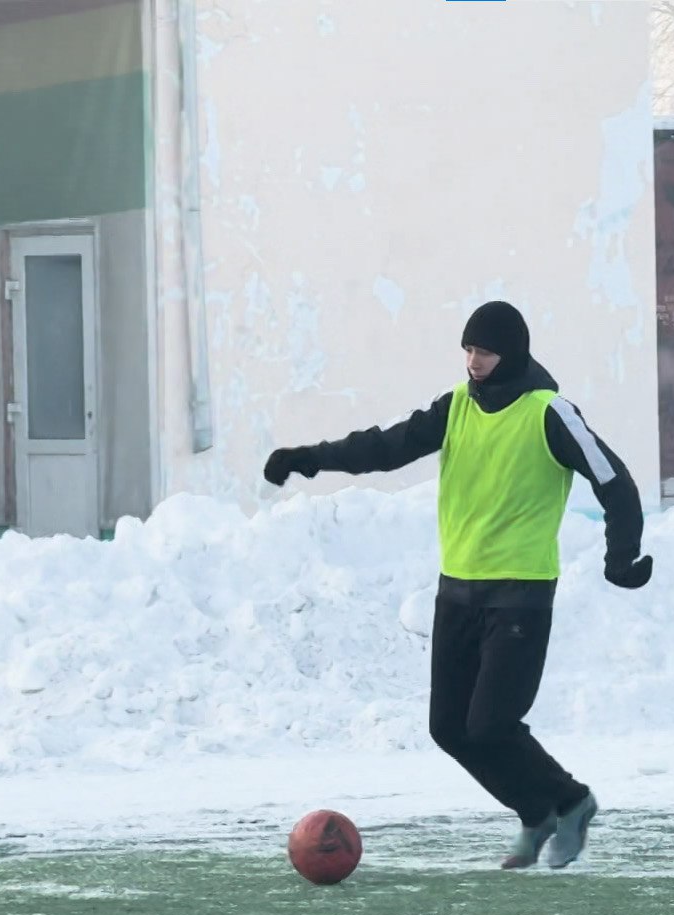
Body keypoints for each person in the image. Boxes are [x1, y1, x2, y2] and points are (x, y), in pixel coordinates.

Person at [262, 300, 650, 870]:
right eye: (468, 349)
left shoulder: (550, 413)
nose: (473, 361)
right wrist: (308, 458)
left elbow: (614, 481)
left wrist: (621, 557)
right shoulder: (457, 406)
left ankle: (571, 801)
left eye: (485, 352)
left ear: (510, 353)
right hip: (458, 593)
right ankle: (536, 811)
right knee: (448, 728)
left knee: (491, 725)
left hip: (520, 594)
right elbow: (385, 447)